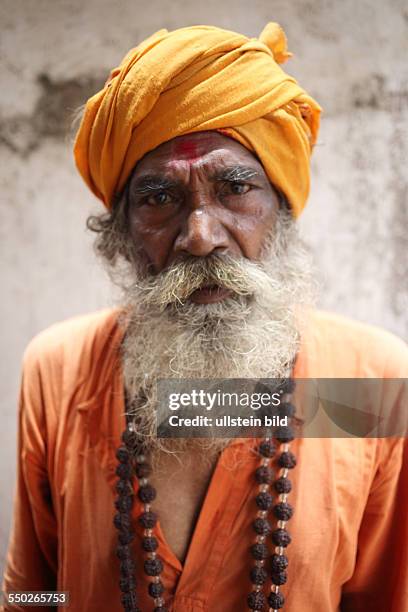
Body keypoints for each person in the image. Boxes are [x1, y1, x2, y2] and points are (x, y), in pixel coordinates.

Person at [2, 22, 407, 612]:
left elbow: (384, 598)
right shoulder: (56, 371)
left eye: (235, 187)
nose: (200, 237)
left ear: (281, 211)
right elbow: (34, 589)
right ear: (120, 233)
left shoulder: (369, 382)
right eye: (159, 197)